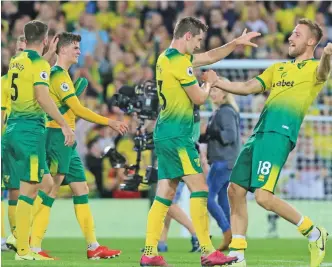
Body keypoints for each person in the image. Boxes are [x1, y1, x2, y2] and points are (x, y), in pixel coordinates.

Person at [140, 16, 260, 267]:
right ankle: (207, 250)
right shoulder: (180, 64)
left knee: (166, 192)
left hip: (165, 133)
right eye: (197, 40)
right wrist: (209, 82)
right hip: (178, 136)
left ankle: (149, 252)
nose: (198, 45)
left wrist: (236, 42)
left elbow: (209, 56)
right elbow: (198, 98)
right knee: (201, 189)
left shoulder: (166, 57)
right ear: (187, 36)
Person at [213, 18, 330, 267]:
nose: (291, 37)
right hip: (259, 132)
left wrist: (328, 56)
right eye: (292, 33)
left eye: (297, 34)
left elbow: (323, 71)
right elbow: (247, 87)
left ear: (311, 41)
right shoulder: (278, 69)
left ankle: (314, 233)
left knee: (264, 198)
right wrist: (218, 81)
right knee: (234, 190)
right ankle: (238, 256)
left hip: (280, 134)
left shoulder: (314, 69)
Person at [29, 32, 128, 260]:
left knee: (81, 189)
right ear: (62, 50)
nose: (79, 52)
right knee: (51, 189)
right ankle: (32, 245)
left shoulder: (63, 76)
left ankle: (93, 247)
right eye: (75, 47)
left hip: (67, 139)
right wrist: (109, 121)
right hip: (57, 136)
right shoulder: (57, 75)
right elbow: (78, 109)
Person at [2, 20, 75, 261]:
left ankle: (17, 238)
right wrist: (64, 124)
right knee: (29, 190)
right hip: (30, 131)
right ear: (44, 40)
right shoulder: (40, 64)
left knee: (45, 184)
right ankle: (22, 248)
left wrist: (51, 52)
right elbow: (43, 97)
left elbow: (34, 68)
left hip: (12, 128)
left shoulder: (16, 61)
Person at [204, 87, 240, 251]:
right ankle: (233, 235)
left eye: (216, 91)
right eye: (211, 91)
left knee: (206, 197)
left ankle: (227, 232)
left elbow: (230, 136)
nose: (212, 94)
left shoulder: (225, 111)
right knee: (222, 198)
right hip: (224, 161)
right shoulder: (222, 111)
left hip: (222, 161)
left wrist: (211, 131)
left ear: (225, 93)